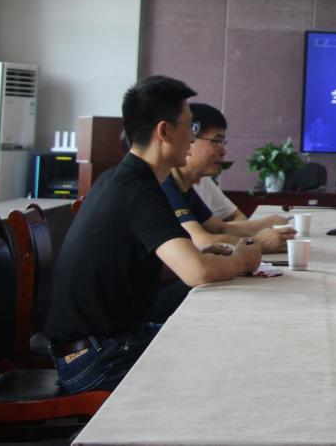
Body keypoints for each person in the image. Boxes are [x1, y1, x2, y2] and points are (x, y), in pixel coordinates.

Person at [44, 76, 261, 393]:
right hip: (96, 358)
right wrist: (242, 260)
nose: (193, 136)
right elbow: (197, 273)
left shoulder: (122, 179)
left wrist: (202, 257)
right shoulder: (139, 191)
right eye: (190, 126)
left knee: (219, 338)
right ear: (164, 131)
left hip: (99, 346)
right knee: (226, 357)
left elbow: (136, 265)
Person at [162, 103, 294, 253]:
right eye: (217, 141)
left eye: (223, 143)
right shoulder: (165, 183)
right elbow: (202, 242)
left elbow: (220, 228)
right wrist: (258, 242)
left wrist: (271, 235)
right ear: (190, 140)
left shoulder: (185, 187)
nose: (223, 151)